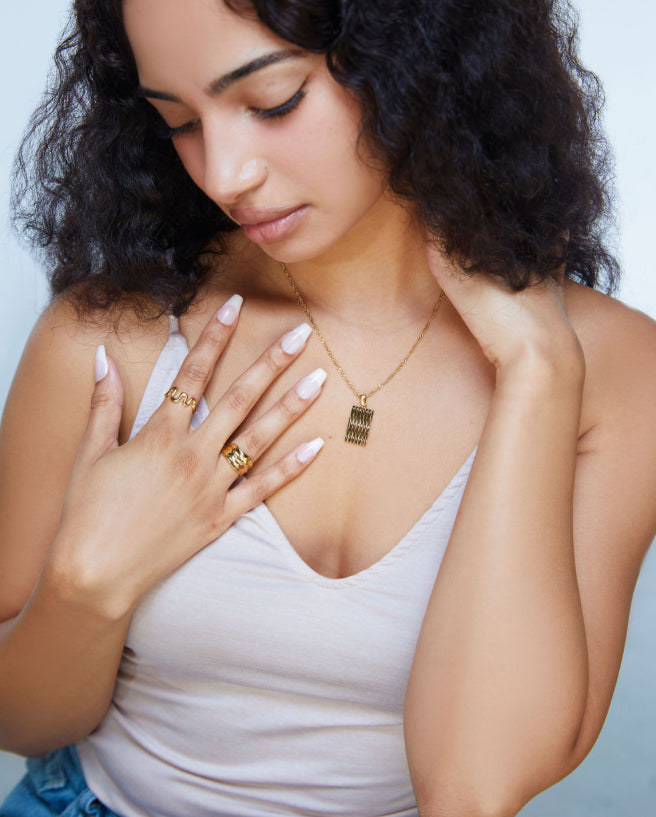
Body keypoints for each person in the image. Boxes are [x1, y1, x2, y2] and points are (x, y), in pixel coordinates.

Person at [1, 0, 655, 815]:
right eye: (177, 121)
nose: (223, 172)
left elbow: (472, 790)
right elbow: (23, 720)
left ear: (416, 58)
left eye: (272, 101)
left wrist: (537, 372)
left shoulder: (620, 373)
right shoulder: (108, 343)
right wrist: (85, 584)